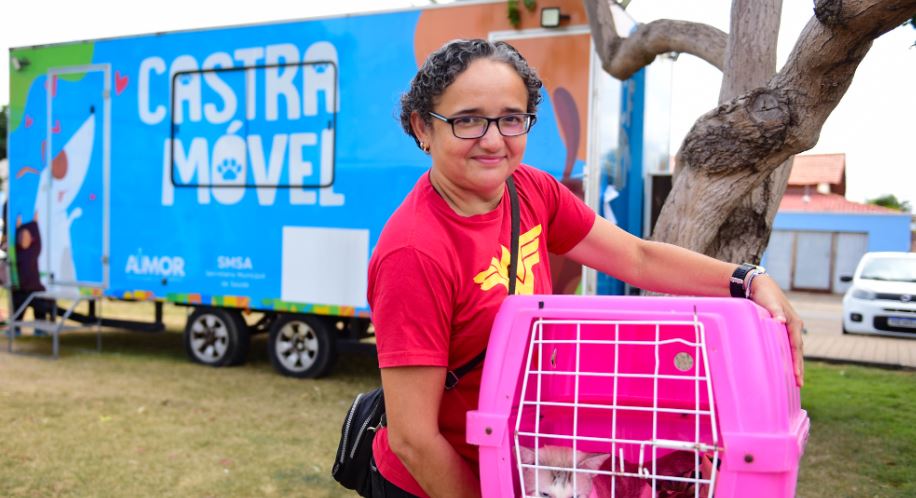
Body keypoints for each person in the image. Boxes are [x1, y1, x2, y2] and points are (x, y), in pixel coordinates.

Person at [367, 39, 804, 498]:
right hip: (431, 485)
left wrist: (748, 280)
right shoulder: (414, 253)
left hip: (514, 467)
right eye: (468, 120)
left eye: (511, 119)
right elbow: (414, 440)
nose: (494, 140)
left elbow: (638, 257)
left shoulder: (531, 191)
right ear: (423, 127)